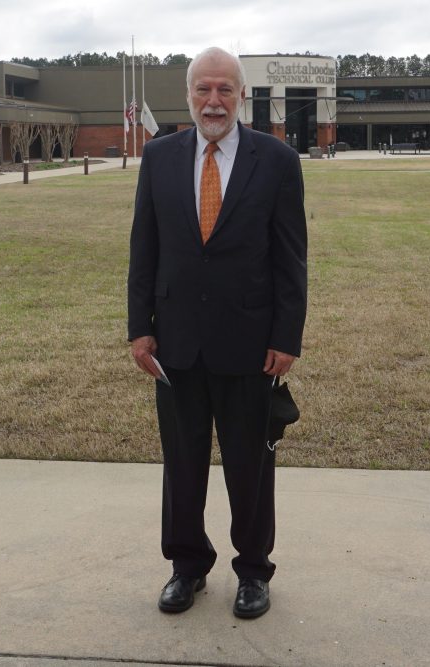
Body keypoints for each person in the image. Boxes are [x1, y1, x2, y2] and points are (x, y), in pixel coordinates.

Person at [127, 47, 307, 619]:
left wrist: (287, 337)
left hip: (250, 344)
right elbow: (144, 249)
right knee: (182, 465)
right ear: (188, 95)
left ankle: (253, 571)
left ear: (242, 96)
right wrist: (139, 329)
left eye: (225, 89)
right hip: (176, 341)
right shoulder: (159, 158)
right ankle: (186, 566)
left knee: (250, 465)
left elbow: (290, 259)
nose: (214, 100)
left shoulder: (276, 160)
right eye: (204, 89)